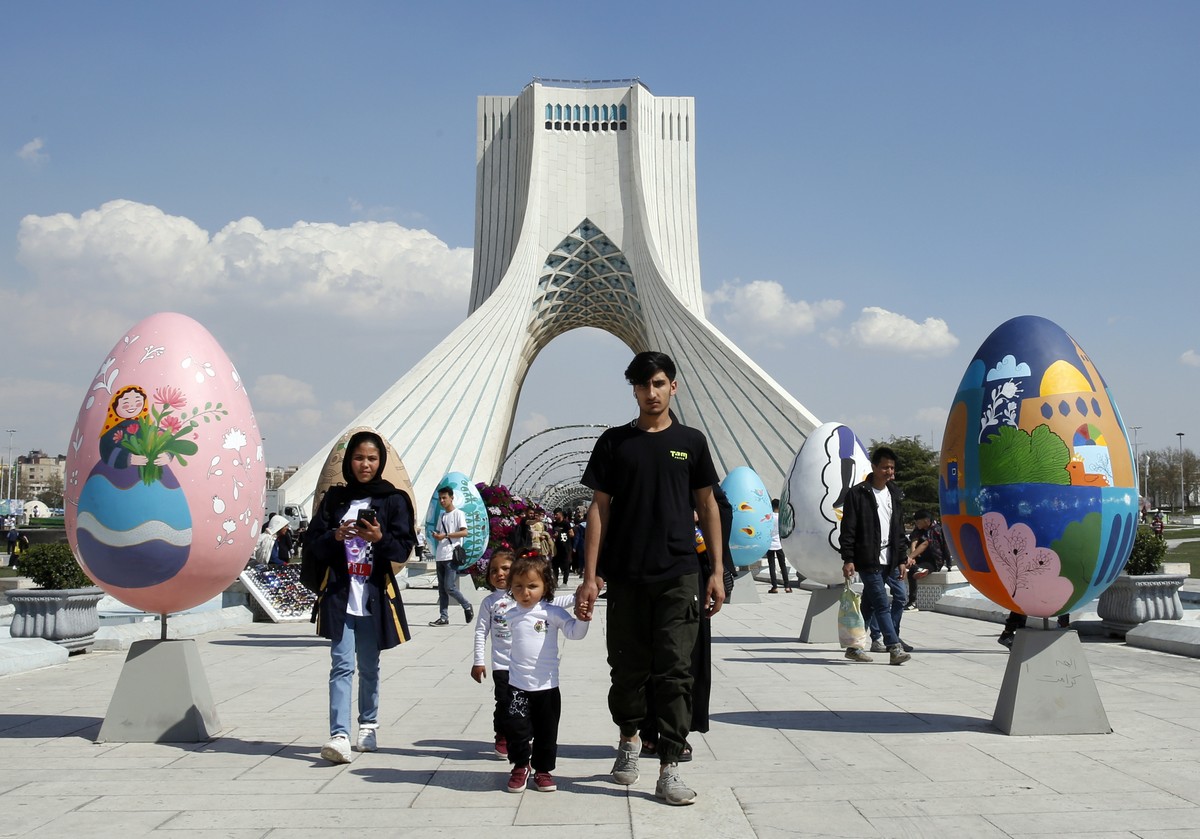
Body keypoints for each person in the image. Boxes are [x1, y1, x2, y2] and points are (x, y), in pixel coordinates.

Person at [575, 350, 725, 807]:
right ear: (634, 391)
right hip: (626, 575)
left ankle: (671, 766)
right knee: (627, 669)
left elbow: (708, 506)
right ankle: (629, 741)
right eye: (644, 385)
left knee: (676, 671)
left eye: (659, 384)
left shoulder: (692, 442)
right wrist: (590, 575)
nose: (652, 392)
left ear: (672, 387)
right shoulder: (615, 443)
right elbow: (598, 509)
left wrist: (716, 571)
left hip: (680, 573)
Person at [304, 430, 415, 765]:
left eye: (371, 458)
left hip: (373, 595)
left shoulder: (393, 500)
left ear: (380, 462)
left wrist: (380, 538)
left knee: (369, 665)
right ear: (349, 461)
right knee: (341, 664)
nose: (365, 465)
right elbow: (313, 544)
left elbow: (403, 548)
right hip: (341, 593)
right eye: (358, 458)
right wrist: (335, 535)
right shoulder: (335, 501)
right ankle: (339, 734)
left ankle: (368, 724)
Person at [639, 486, 735, 762]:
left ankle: (677, 733)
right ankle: (647, 729)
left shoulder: (690, 459)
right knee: (646, 654)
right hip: (646, 568)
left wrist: (698, 516)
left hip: (690, 572)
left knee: (685, 657)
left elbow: (719, 508)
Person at [502, 552, 588, 793]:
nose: (525, 592)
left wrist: (583, 618)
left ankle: (542, 771)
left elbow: (575, 633)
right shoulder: (510, 615)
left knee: (546, 733)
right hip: (518, 686)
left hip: (547, 688)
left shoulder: (552, 613)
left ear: (546, 586)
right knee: (516, 729)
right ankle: (520, 766)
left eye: (532, 586)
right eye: (518, 586)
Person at [839, 446, 912, 665]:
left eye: (892, 468)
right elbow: (848, 528)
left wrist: (901, 558)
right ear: (873, 467)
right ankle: (894, 647)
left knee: (869, 605)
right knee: (882, 603)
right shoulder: (858, 493)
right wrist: (848, 558)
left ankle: (853, 647)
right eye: (884, 467)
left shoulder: (894, 493)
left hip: (888, 560)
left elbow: (898, 530)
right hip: (868, 558)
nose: (889, 472)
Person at [429, 485, 474, 627]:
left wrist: (446, 535)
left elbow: (465, 532)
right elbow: (439, 532)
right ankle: (443, 617)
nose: (442, 501)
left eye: (444, 498)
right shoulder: (442, 516)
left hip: (451, 555)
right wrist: (437, 536)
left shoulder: (458, 514)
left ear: (451, 498)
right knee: (442, 590)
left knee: (449, 587)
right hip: (440, 555)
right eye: (440, 498)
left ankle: (467, 605)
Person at [904, 510, 947, 610]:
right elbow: (914, 541)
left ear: (927, 521)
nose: (916, 524)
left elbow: (925, 544)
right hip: (921, 560)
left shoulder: (935, 529)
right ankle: (920, 569)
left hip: (934, 561)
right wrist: (912, 558)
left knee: (911, 573)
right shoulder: (918, 530)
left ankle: (912, 602)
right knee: (911, 567)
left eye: (918, 522)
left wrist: (910, 557)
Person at [765, 498, 791, 593]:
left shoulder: (769, 517)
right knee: (782, 565)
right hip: (780, 544)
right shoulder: (781, 518)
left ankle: (774, 586)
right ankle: (787, 586)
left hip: (770, 544)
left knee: (772, 565)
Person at [551, 508, 574, 586]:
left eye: (556, 514)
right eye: (554, 514)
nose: (555, 516)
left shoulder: (566, 524)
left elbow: (572, 534)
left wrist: (562, 534)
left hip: (565, 547)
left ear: (561, 514)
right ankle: (555, 581)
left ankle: (565, 582)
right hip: (556, 547)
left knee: (565, 565)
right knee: (555, 565)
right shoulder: (554, 524)